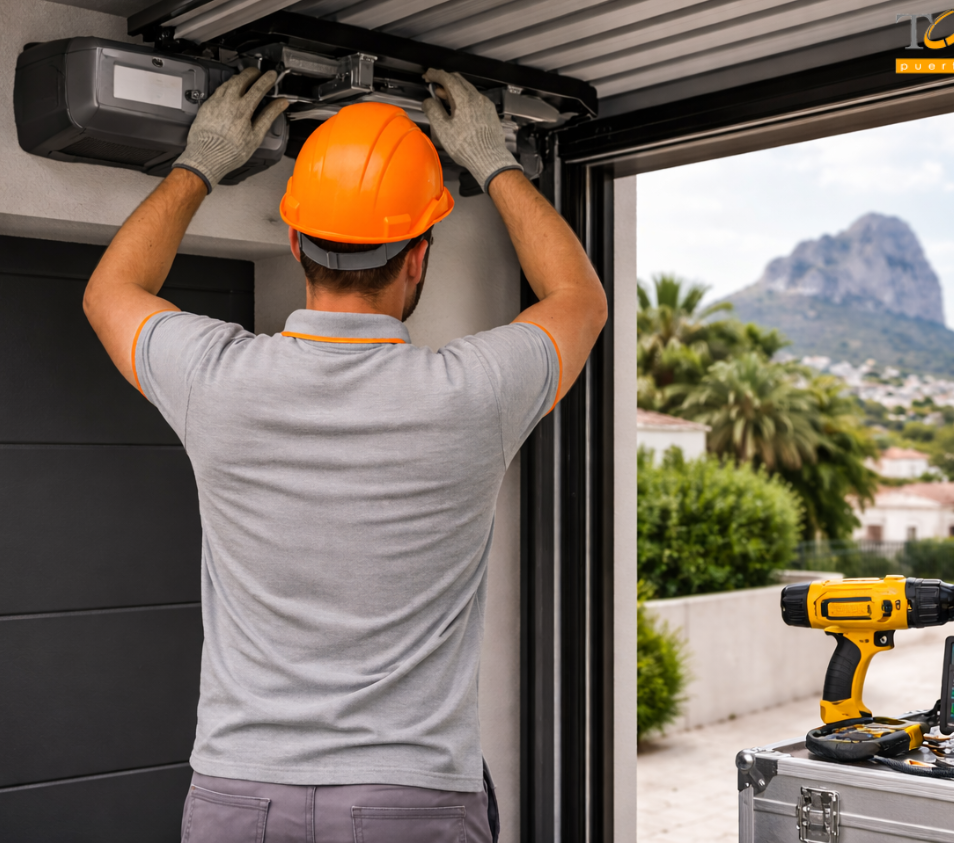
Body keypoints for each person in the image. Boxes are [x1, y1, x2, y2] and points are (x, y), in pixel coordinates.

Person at [83, 66, 607, 843]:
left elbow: (110, 290)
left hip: (241, 794)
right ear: (418, 256)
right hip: (411, 797)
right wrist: (492, 160)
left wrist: (202, 162)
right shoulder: (472, 395)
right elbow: (578, 298)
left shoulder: (216, 378)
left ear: (295, 242)